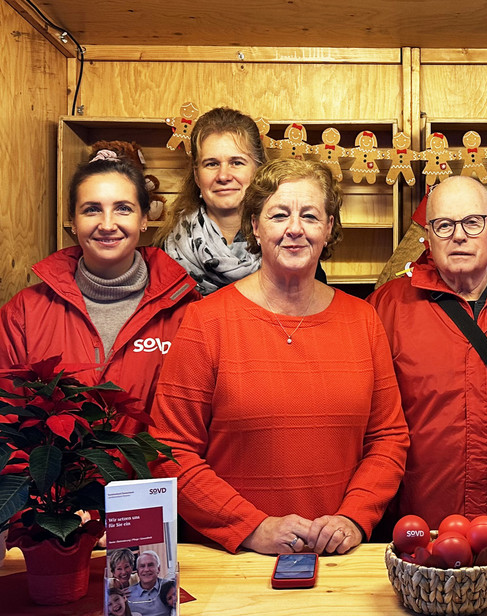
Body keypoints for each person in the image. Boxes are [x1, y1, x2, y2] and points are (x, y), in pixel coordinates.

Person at [149, 159, 409, 555]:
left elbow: (388, 438)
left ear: (329, 228)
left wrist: (353, 518)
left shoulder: (363, 320)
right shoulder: (205, 322)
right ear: (255, 226)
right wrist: (251, 527)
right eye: (279, 214)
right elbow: (170, 450)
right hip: (234, 560)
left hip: (339, 557)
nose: (294, 229)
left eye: (309, 216)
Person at [366, 177, 487, 541]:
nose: (459, 236)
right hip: (417, 528)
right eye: (444, 225)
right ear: (428, 237)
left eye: (472, 222)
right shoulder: (385, 310)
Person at [0, 148, 199, 440]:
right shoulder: (26, 312)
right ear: (73, 222)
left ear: (143, 219)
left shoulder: (186, 311)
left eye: (123, 208)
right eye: (92, 209)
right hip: (51, 486)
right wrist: (32, 484)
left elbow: (202, 425)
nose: (107, 224)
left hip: (154, 483)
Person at [155, 107, 267, 294]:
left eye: (236, 162)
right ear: (197, 176)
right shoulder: (164, 253)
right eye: (212, 164)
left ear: (258, 171)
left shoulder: (287, 244)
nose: (223, 176)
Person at [127, 551, 170, 616]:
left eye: (150, 565)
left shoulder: (169, 586)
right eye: (142, 566)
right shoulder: (127, 594)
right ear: (137, 572)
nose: (146, 569)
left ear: (158, 569)